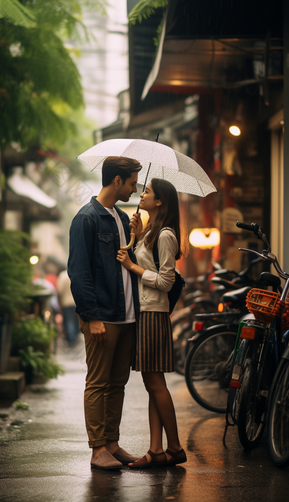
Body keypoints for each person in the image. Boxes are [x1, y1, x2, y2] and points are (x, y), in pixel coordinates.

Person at [68, 156, 142, 470]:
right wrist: (92, 315)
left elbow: (129, 262)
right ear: (117, 181)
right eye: (132, 182)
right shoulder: (86, 218)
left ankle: (112, 443)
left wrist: (137, 234)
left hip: (126, 315)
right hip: (103, 315)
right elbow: (79, 271)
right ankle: (98, 447)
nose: (135, 188)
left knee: (118, 383)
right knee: (97, 382)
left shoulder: (123, 218)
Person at [116, 178, 187, 468]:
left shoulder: (167, 235)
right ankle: (156, 449)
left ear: (160, 202)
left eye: (147, 192)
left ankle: (175, 447)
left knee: (156, 383)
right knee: (151, 383)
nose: (141, 194)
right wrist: (137, 235)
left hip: (154, 314)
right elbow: (149, 264)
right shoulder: (152, 232)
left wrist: (132, 266)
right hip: (146, 312)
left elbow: (167, 281)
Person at [56, 269, 80, 346]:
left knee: (69, 320)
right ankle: (75, 336)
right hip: (76, 302)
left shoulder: (62, 275)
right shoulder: (77, 273)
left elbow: (59, 290)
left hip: (66, 302)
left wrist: (59, 303)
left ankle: (71, 338)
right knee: (76, 320)